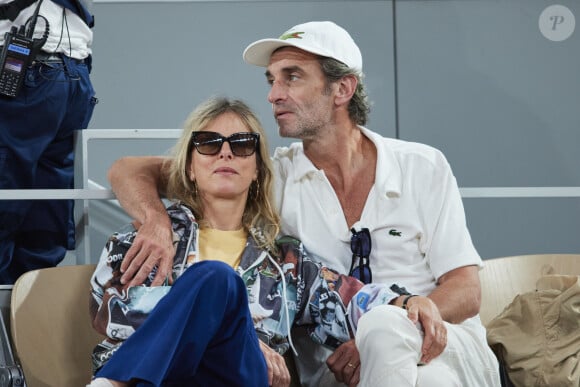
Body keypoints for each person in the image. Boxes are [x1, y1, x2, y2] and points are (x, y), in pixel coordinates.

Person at [107, 21, 501, 387]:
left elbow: (467, 291)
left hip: (438, 342)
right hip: (337, 367)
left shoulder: (422, 166)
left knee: (398, 345)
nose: (274, 94)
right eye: (272, 80)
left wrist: (388, 329)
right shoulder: (267, 175)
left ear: (342, 90)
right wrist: (155, 222)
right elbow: (129, 170)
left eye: (292, 77)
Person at [88, 97, 295, 387]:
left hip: (237, 379)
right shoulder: (138, 241)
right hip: (161, 379)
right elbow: (112, 316)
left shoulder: (287, 258)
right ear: (189, 168)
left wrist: (239, 334)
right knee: (217, 279)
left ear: (258, 168)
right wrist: (229, 324)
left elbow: (353, 307)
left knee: (218, 278)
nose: (225, 153)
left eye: (242, 143)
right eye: (209, 143)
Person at [0, 0, 97, 283]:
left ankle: (18, 302)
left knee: (32, 194)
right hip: (55, 70)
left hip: (47, 70)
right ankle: (19, 302)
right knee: (35, 192)